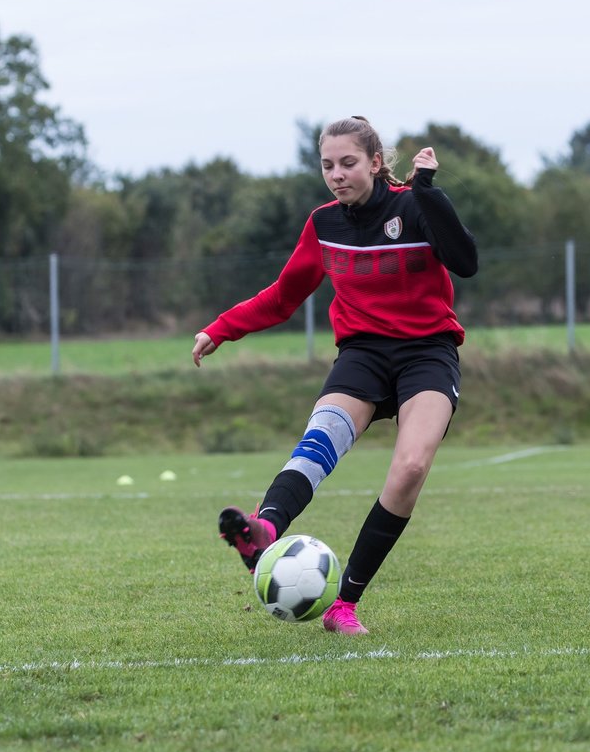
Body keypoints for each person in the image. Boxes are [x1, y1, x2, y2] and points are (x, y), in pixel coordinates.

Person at [192, 115, 478, 635]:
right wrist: (222, 329)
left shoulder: (413, 206)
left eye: (348, 163)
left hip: (427, 353)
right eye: (327, 165)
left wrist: (428, 191)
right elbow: (282, 297)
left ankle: (344, 604)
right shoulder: (324, 224)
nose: (337, 174)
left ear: (374, 163)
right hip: (363, 354)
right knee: (317, 444)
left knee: (411, 466)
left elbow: (466, 259)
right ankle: (262, 530)